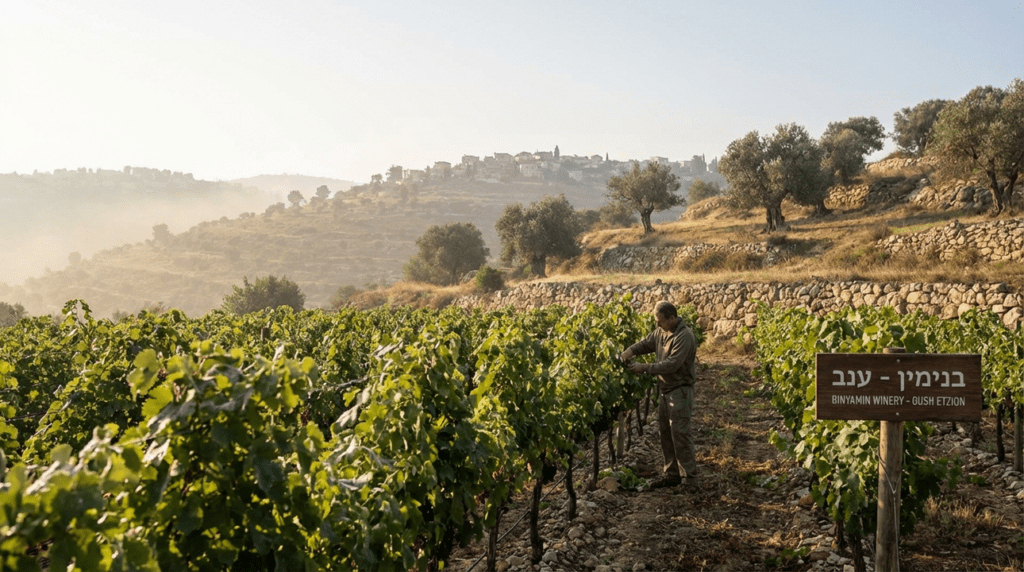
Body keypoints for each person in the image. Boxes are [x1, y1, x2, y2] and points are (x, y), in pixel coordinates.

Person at [619, 300, 698, 489]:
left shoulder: (684, 336)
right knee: (666, 434)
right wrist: (628, 352)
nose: (657, 324)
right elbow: (646, 343)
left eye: (660, 321)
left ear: (672, 318)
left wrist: (644, 367)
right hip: (665, 390)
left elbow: (672, 364)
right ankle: (672, 475)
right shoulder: (662, 332)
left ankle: (691, 479)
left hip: (680, 390)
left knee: (680, 434)